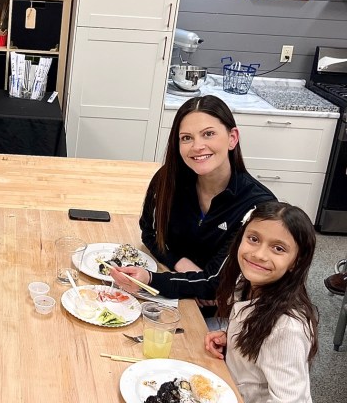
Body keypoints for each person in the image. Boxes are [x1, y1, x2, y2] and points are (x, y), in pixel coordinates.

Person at [110, 96, 275, 308]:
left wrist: (150, 279)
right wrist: (182, 264)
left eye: (208, 134)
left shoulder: (256, 206)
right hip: (176, 288)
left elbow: (217, 284)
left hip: (224, 311)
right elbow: (150, 233)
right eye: (186, 138)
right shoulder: (167, 180)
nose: (197, 146)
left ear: (232, 138)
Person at [204, 201, 318, 403]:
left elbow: (291, 400)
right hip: (229, 385)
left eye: (278, 248)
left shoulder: (287, 329)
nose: (259, 254)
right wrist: (233, 339)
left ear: (296, 261)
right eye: (254, 239)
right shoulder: (246, 282)